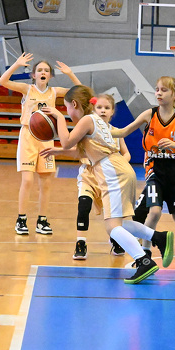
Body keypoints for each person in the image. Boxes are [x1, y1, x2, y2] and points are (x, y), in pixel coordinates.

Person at [42, 85, 174, 284]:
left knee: (112, 227)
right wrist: (58, 151)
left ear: (75, 104)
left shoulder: (87, 120)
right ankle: (158, 237)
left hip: (112, 171)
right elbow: (83, 151)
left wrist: (59, 118)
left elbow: (67, 142)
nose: (67, 112)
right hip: (120, 168)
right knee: (122, 223)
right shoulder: (95, 120)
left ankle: (143, 260)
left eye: (67, 108)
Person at [111, 76, 175, 267]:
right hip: (154, 170)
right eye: (157, 89)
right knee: (153, 212)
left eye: (164, 90)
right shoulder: (149, 114)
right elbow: (124, 131)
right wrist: (97, 130)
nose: (159, 93)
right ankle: (145, 253)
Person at [0, 53, 81, 235]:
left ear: (50, 75)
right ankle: (21, 219)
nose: (43, 72)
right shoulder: (27, 89)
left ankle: (42, 221)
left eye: (46, 70)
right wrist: (16, 64)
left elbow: (80, 91)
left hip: (46, 138)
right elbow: (2, 81)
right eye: (39, 70)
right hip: (28, 135)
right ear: (33, 75)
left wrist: (70, 74)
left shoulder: (54, 92)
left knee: (46, 182)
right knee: (27, 180)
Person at [40, 93, 128, 259]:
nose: (103, 110)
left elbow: (127, 154)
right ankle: (81, 243)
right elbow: (78, 150)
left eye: (107, 108)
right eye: (99, 107)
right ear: (93, 109)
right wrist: (59, 151)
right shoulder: (89, 128)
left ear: (112, 111)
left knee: (112, 213)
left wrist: (119, 163)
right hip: (89, 174)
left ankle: (116, 238)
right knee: (83, 206)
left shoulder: (116, 132)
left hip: (108, 176)